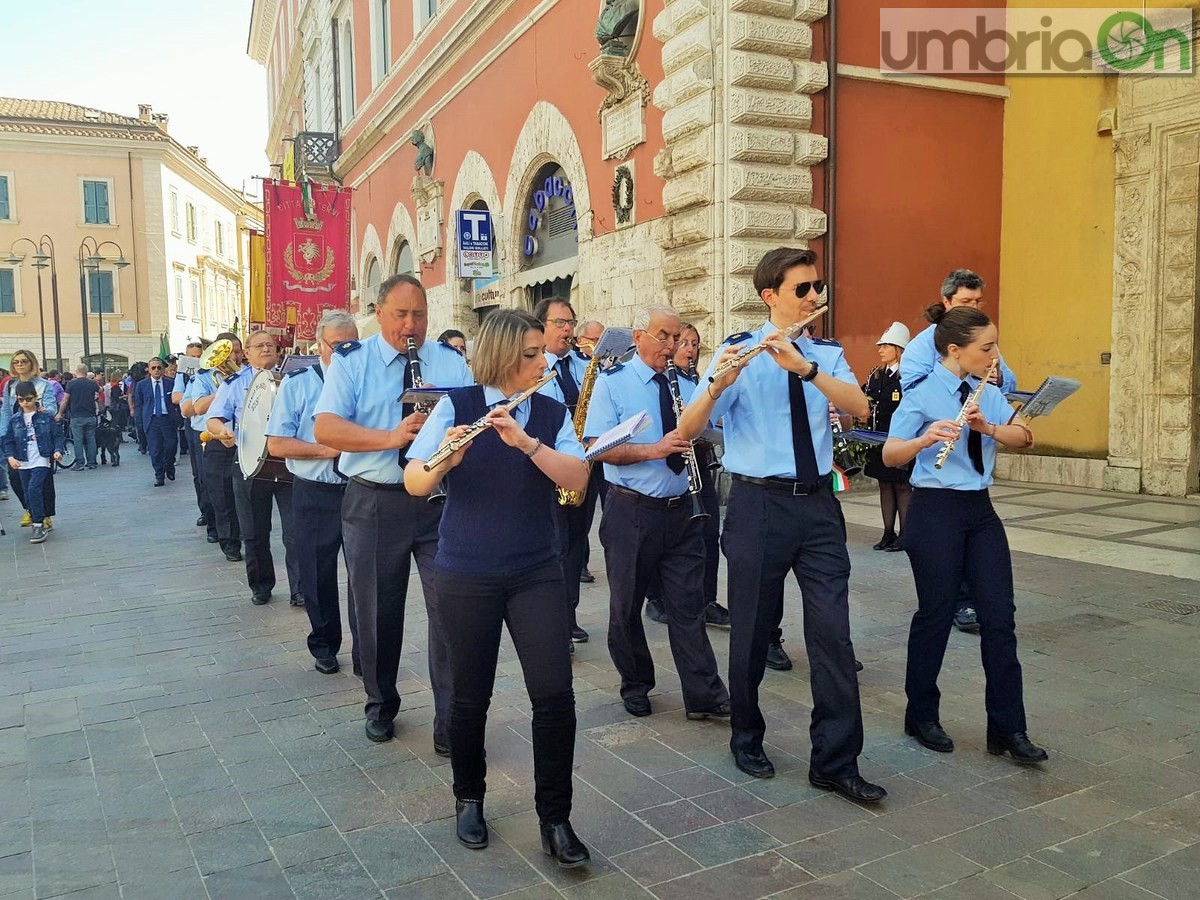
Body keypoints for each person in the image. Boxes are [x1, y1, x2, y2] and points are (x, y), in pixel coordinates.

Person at [677, 247, 886, 803]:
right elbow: (689, 426)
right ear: (771, 296)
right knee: (750, 632)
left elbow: (860, 408)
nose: (815, 296)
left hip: (818, 506)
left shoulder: (826, 353)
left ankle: (836, 761)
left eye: (817, 286)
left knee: (832, 635)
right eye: (803, 289)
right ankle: (746, 735)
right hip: (757, 506)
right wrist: (719, 383)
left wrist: (806, 367)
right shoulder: (735, 351)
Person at [403, 308, 591, 867]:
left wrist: (528, 444)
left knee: (554, 694)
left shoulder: (552, 412)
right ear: (505, 356)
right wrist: (445, 460)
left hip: (535, 569)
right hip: (466, 570)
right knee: (469, 695)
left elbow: (578, 481)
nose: (543, 362)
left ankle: (555, 818)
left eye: (543, 353)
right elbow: (414, 481)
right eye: (532, 354)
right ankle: (469, 798)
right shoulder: (457, 406)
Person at [882, 306, 1046, 765]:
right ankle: (921, 714)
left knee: (1000, 618)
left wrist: (987, 426)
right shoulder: (919, 393)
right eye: (986, 348)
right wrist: (923, 440)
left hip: (980, 512)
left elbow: (1023, 436)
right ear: (955, 351)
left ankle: (1008, 728)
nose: (995, 355)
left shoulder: (986, 391)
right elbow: (892, 455)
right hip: (934, 511)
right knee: (935, 614)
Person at [314, 273, 472, 749]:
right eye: (401, 314)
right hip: (375, 499)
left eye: (419, 315)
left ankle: (450, 720)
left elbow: (473, 418)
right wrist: (391, 437)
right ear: (379, 314)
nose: (411, 325)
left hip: (437, 501)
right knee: (378, 609)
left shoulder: (448, 361)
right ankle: (381, 703)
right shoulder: (352, 362)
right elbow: (326, 429)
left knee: (449, 610)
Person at [585, 305, 730, 721]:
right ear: (638, 337)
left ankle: (704, 694)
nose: (671, 346)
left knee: (688, 606)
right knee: (626, 605)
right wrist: (655, 450)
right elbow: (597, 447)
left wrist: (703, 437)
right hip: (631, 510)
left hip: (682, 510)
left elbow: (704, 426)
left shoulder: (684, 381)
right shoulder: (613, 383)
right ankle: (636, 683)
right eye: (663, 336)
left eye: (675, 337)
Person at [900, 270, 1014, 634]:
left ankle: (970, 600)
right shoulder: (922, 344)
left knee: (993, 592)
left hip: (976, 478)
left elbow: (1007, 379)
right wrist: (953, 386)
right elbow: (914, 386)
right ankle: (957, 602)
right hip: (938, 464)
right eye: (966, 302)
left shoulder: (983, 342)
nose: (974, 307)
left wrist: (990, 381)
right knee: (936, 596)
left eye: (979, 301)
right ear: (947, 301)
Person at [267, 310, 362, 676]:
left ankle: (365, 652)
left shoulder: (365, 381)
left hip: (358, 490)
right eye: (336, 346)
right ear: (319, 344)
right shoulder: (298, 385)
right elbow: (277, 444)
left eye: (351, 346)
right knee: (318, 574)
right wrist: (329, 449)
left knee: (364, 576)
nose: (343, 354)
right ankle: (324, 644)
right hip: (315, 490)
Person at [644, 322, 730, 628]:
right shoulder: (662, 380)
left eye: (695, 344)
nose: (690, 349)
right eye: (684, 343)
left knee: (708, 534)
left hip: (700, 463)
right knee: (665, 538)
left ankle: (706, 598)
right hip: (668, 465)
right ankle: (657, 597)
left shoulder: (698, 380)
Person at [206, 331, 298, 606]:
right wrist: (221, 431)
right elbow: (213, 418)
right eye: (259, 346)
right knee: (255, 532)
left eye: (270, 345)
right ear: (246, 353)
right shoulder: (234, 382)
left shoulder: (293, 378)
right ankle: (261, 585)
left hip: (288, 464)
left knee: (295, 532)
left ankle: (300, 588)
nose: (266, 349)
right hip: (249, 465)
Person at [534, 297, 596, 641]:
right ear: (541, 327)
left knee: (574, 545)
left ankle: (568, 614)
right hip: (548, 468)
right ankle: (551, 621)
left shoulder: (584, 364)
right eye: (560, 323)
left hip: (582, 465)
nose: (568, 329)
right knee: (553, 546)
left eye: (570, 322)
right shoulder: (533, 367)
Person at [191, 334, 244, 560]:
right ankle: (229, 543)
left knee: (245, 495)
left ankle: (245, 535)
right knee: (222, 496)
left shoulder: (250, 375)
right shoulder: (202, 378)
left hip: (245, 441)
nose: (234, 355)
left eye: (238, 350)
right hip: (216, 440)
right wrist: (223, 389)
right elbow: (198, 407)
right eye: (229, 351)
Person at [863, 322, 913, 551]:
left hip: (900, 440)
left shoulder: (908, 376)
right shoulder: (876, 375)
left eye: (885, 346)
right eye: (880, 346)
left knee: (902, 486)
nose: (880, 349)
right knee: (885, 484)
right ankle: (888, 532)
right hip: (879, 440)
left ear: (899, 348)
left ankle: (906, 534)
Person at [1, 350, 59, 530]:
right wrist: (3, 434)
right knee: (15, 476)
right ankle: (30, 508)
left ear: (31, 363)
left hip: (39, 434)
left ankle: (45, 515)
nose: (20, 364)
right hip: (17, 435)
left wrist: (37, 407)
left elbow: (51, 408)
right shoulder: (10, 385)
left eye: (24, 361)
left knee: (44, 480)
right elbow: (6, 411)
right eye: (16, 361)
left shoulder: (43, 385)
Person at [3, 381, 64, 544]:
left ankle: (38, 524)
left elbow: (57, 434)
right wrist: (10, 457)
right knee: (27, 492)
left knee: (33, 489)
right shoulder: (15, 419)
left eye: (28, 399)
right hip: (23, 461)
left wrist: (58, 450)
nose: (25, 403)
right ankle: (39, 518)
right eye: (21, 400)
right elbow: (8, 441)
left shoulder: (45, 416)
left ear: (35, 398)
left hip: (41, 459)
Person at [173, 342, 209, 531]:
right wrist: (197, 394)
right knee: (199, 471)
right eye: (192, 356)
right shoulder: (183, 375)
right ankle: (204, 509)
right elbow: (176, 397)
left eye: (199, 355)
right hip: (194, 422)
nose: (196, 359)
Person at [134, 358, 182, 487]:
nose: (156, 370)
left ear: (163, 369)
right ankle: (159, 475)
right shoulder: (142, 385)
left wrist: (179, 418)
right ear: (149, 370)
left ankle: (169, 466)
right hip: (152, 420)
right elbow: (139, 405)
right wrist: (139, 423)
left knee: (171, 446)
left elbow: (178, 403)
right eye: (153, 368)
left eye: (159, 368)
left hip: (168, 419)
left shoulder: (171, 383)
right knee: (155, 450)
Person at [64, 364, 100, 470]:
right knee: (91, 439)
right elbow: (100, 391)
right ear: (86, 371)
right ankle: (92, 462)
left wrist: (60, 412)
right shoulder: (92, 384)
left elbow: (65, 400)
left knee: (78, 440)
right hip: (91, 415)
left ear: (76, 371)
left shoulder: (71, 384)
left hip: (76, 416)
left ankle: (79, 463)